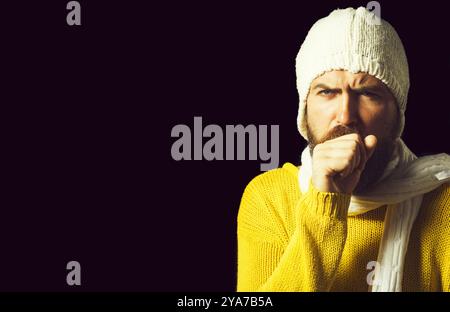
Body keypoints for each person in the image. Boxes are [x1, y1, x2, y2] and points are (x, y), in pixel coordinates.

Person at [236, 7, 450, 292]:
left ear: (397, 114)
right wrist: (326, 204)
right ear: (305, 110)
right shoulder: (269, 197)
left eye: (368, 93)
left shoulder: (443, 202)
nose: (346, 115)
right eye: (327, 92)